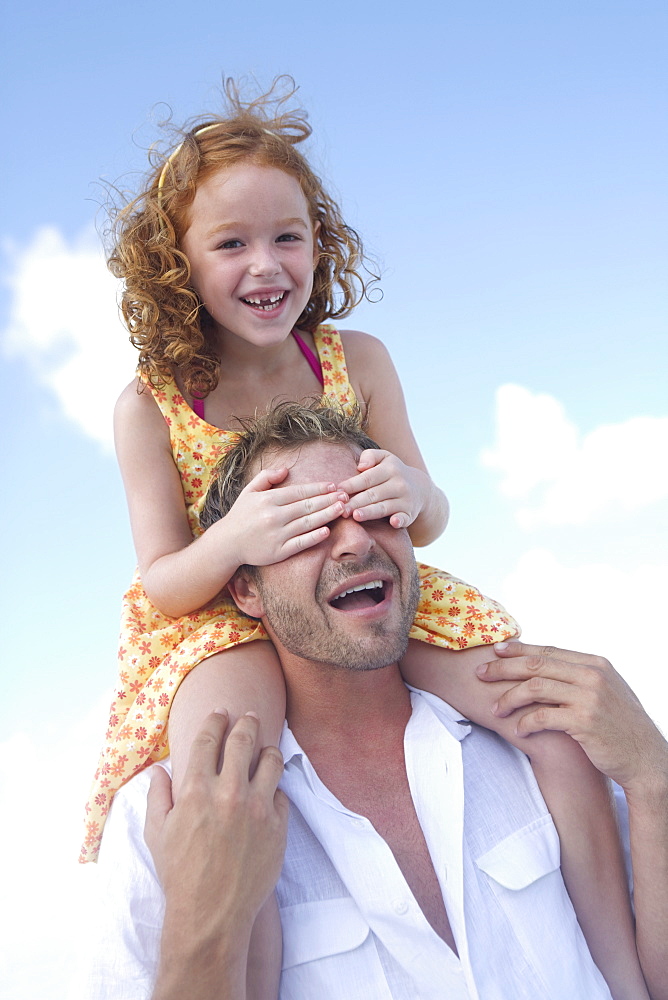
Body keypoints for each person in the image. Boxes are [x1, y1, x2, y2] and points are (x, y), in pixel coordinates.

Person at [79, 79, 633, 995]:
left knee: (548, 726)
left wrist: (407, 487)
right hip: (223, 616)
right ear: (177, 266)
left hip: (368, 588)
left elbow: (433, 511)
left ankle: (621, 967)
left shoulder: (356, 358)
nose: (266, 265)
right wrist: (238, 538)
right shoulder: (150, 404)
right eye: (231, 244)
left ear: (318, 240)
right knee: (231, 794)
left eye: (287, 236)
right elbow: (164, 582)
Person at [81, 402, 668, 1000]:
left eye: (377, 510)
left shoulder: (542, 735)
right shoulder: (170, 820)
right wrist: (205, 930)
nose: (355, 541)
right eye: (305, 525)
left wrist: (655, 776)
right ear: (244, 589)